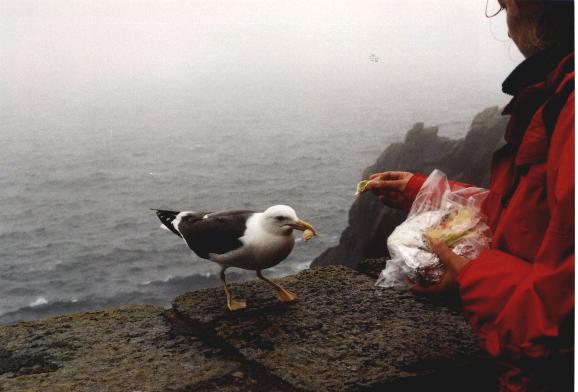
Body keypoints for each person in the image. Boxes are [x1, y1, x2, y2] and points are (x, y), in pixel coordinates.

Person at [367, 0, 574, 389]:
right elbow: (533, 213)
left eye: (504, 4)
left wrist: (470, 276)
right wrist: (427, 194)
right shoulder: (554, 93)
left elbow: (563, 317)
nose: (502, 17)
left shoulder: (569, 105)